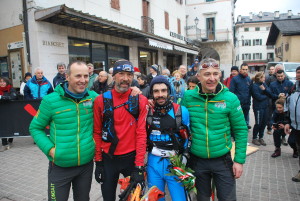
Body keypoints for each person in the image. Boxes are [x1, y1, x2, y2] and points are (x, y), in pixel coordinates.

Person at [29, 61, 98, 200]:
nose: (83, 80)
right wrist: (50, 150)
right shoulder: (50, 100)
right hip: (60, 166)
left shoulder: (94, 97)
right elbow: (35, 128)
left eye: (86, 76)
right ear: (67, 76)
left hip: (86, 165)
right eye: (78, 76)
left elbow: (114, 100)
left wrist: (135, 91)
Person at [181, 58, 248, 201]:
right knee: (201, 199)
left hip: (222, 160)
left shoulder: (230, 98)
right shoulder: (188, 97)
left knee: (227, 198)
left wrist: (239, 161)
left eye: (215, 74)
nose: (212, 78)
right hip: (197, 161)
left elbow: (241, 130)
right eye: (207, 74)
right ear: (198, 76)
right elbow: (176, 117)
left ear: (220, 75)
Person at [93, 60, 148, 201]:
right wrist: (98, 162)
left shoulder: (140, 100)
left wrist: (139, 166)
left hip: (131, 159)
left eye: (129, 75)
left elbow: (141, 134)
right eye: (121, 74)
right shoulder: (100, 100)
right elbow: (97, 132)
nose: (125, 78)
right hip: (108, 159)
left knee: (135, 198)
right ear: (114, 76)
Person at [146, 75, 190, 201]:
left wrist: (186, 156)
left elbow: (188, 137)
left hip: (175, 163)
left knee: (180, 199)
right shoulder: (147, 110)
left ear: (169, 91)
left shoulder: (181, 111)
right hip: (153, 163)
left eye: (163, 90)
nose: (160, 94)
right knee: (155, 199)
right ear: (151, 93)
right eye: (156, 91)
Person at [269, 69, 294, 145]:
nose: (280, 77)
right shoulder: (272, 84)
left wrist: (286, 96)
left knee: (284, 122)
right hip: (276, 106)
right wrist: (278, 96)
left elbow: (292, 94)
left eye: (281, 76)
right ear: (276, 76)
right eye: (278, 76)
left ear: (284, 75)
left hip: (286, 107)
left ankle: (283, 137)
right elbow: (270, 94)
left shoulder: (289, 83)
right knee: (277, 122)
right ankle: (277, 139)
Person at [284, 66, 300, 182]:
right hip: (295, 125)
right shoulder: (293, 88)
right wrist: (287, 122)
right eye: (298, 72)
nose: (299, 75)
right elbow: (288, 105)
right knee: (293, 143)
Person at [250, 72, 272, 146]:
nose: (264, 79)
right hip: (258, 107)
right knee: (258, 123)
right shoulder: (254, 86)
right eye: (263, 77)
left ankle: (261, 137)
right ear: (259, 78)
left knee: (264, 123)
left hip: (265, 107)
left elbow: (269, 92)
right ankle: (254, 138)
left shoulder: (264, 84)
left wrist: (265, 90)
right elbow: (258, 97)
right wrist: (266, 96)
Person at [230, 63, 252, 129]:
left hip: (246, 105)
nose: (245, 71)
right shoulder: (235, 79)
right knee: (236, 122)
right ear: (240, 70)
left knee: (245, 122)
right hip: (237, 104)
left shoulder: (248, 79)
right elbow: (231, 92)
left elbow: (250, 92)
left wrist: (249, 103)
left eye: (246, 69)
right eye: (243, 69)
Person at [0, 77, 17, 152]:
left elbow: (13, 97)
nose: (2, 83)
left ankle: (10, 141)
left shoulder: (11, 89)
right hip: (2, 112)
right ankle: (4, 144)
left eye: (3, 82)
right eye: (0, 82)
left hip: (10, 112)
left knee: (11, 126)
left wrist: (2, 97)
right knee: (2, 126)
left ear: (7, 82)